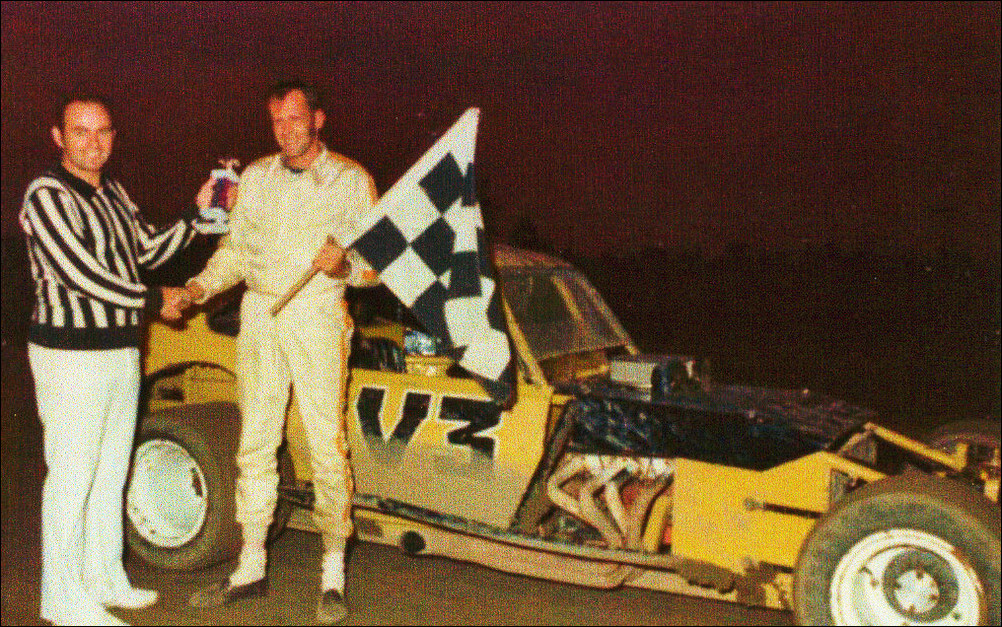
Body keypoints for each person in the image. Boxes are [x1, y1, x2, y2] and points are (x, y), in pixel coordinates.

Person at [172, 81, 379, 624]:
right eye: (276, 121)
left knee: (324, 442)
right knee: (256, 440)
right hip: (261, 315)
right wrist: (198, 288)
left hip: (317, 313)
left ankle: (333, 566)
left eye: (295, 119)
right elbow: (235, 253)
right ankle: (251, 562)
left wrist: (348, 267)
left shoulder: (351, 181)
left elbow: (376, 267)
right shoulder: (255, 179)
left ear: (318, 119)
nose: (286, 130)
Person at [19, 94, 223, 625]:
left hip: (119, 349)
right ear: (58, 136)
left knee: (112, 470)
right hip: (68, 356)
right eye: (81, 131)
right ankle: (61, 597)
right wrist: (156, 299)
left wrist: (197, 216)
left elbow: (148, 251)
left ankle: (104, 576)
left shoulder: (113, 193)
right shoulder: (45, 193)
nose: (94, 142)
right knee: (72, 474)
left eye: (104, 130)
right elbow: (81, 274)